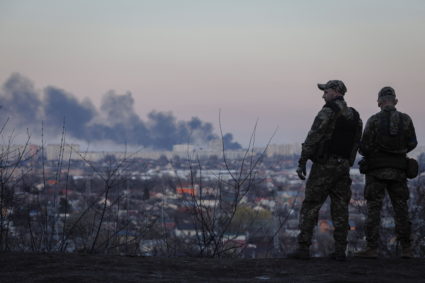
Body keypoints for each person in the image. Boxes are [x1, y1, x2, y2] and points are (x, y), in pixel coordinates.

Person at [289, 80, 362, 261]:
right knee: (340, 208)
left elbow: (313, 136)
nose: (323, 95)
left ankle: (303, 248)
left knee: (311, 205)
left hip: (324, 166)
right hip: (342, 167)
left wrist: (302, 161)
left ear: (336, 92)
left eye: (326, 91)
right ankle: (340, 251)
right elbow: (355, 144)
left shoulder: (328, 111)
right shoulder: (355, 116)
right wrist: (346, 163)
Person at [355, 86, 417, 258]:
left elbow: (364, 147)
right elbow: (413, 143)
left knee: (374, 209)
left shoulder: (374, 120)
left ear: (379, 102)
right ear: (395, 101)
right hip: (398, 172)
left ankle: (372, 248)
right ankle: (406, 248)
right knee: (401, 209)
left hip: (376, 173)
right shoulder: (406, 120)